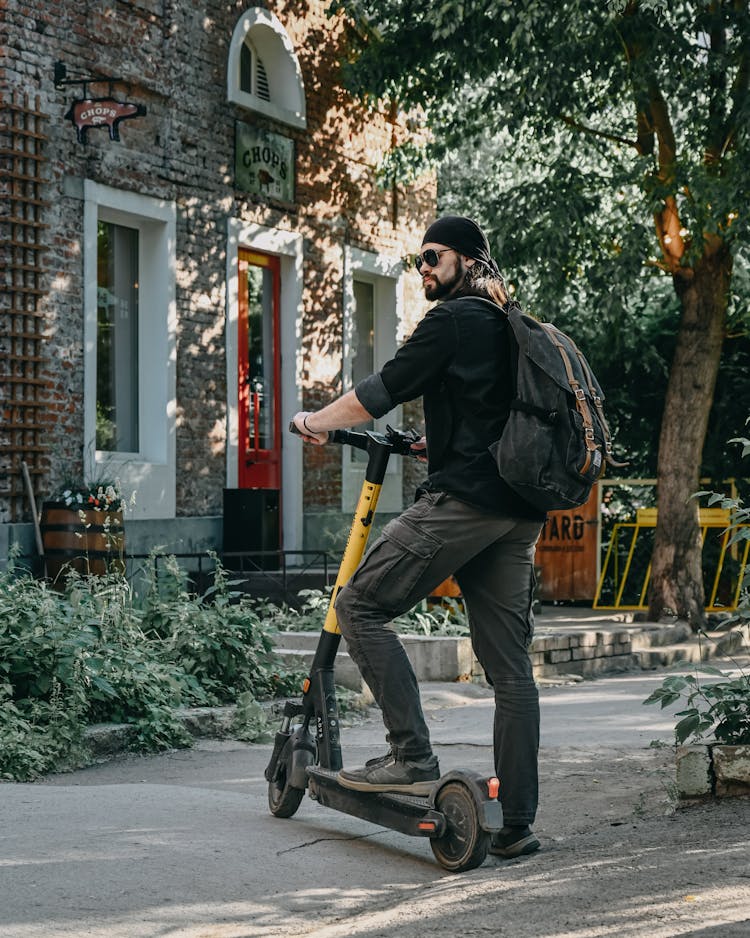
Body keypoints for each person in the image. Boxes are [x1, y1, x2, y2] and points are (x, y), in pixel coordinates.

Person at [291, 216, 546, 860]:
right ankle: (515, 822)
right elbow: (491, 414)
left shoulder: (453, 319)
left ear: (465, 260)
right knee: (511, 670)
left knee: (358, 604)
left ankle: (411, 755)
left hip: (464, 503)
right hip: (517, 511)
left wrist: (314, 421)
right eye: (418, 259)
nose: (423, 268)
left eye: (432, 256)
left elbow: (383, 390)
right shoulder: (508, 325)